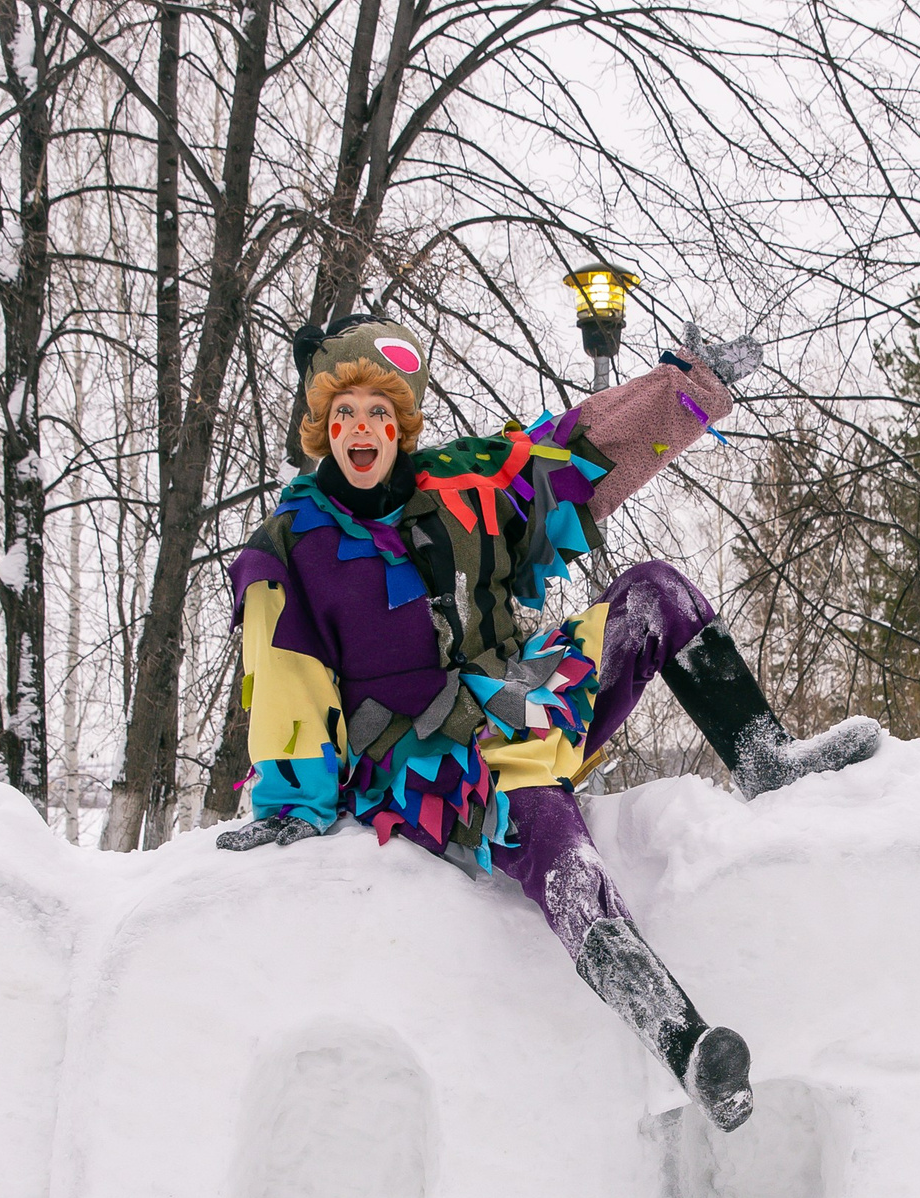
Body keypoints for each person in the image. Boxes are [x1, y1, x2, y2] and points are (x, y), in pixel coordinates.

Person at [217, 315, 881, 1130]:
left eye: (380, 415)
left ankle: (765, 757)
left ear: (401, 427)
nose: (364, 431)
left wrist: (691, 386)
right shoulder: (290, 545)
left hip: (523, 695)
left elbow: (580, 450)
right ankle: (687, 1042)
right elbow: (287, 675)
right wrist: (291, 802)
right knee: (549, 836)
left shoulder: (463, 487)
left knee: (656, 593)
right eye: (345, 415)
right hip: (425, 763)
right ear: (322, 429)